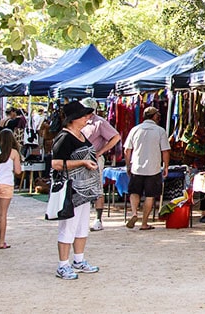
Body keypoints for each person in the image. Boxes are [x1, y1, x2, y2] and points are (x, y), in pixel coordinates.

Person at [51, 101, 101, 280]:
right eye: (83, 115)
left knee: (81, 228)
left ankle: (78, 260)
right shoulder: (64, 137)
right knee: (68, 227)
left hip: (84, 190)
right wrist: (82, 162)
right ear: (73, 119)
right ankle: (62, 264)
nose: (87, 118)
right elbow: (56, 164)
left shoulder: (80, 134)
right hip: (71, 189)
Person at [123, 106, 170, 230]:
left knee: (134, 192)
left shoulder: (135, 129)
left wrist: (128, 165)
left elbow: (127, 150)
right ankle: (144, 223)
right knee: (150, 196)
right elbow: (165, 151)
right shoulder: (160, 131)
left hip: (137, 167)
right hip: (153, 168)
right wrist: (166, 166)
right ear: (155, 116)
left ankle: (134, 213)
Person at [80, 98, 121, 232]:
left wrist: (101, 151)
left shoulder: (100, 122)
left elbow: (116, 137)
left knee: (97, 188)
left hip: (93, 159)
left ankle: (98, 219)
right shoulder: (79, 121)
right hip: (79, 159)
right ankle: (81, 218)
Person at [0, 129, 22, 249]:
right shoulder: (13, 153)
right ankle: (2, 241)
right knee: (3, 214)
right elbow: (18, 171)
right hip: (7, 184)